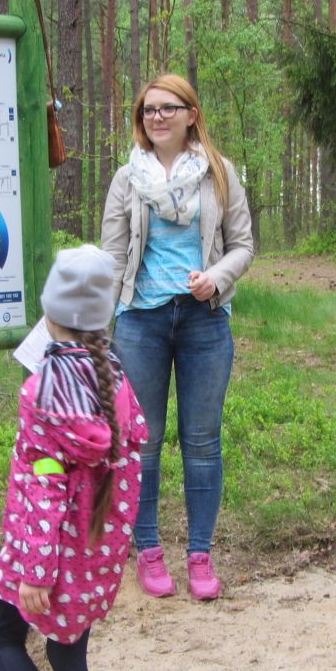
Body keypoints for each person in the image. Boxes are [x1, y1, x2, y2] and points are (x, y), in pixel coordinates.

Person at [0, 245, 149, 671]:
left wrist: (36, 571)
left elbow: (44, 487)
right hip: (92, 553)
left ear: (50, 313)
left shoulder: (43, 392)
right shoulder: (117, 381)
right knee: (70, 659)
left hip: (41, 555)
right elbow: (129, 477)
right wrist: (108, 557)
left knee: (2, 638)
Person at [100, 73, 254, 600]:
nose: (157, 117)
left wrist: (217, 277)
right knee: (141, 443)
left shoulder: (219, 173)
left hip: (204, 321)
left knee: (203, 442)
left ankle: (200, 555)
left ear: (192, 115)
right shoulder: (128, 179)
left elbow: (243, 245)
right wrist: (97, 327)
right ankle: (147, 549)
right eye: (149, 109)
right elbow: (112, 256)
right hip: (140, 323)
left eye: (168, 108)